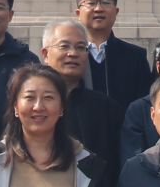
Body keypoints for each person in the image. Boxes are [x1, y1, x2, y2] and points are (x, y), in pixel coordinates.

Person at [38, 19, 125, 170]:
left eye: (80, 47)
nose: (73, 53)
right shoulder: (32, 105)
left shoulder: (106, 108)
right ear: (45, 54)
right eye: (64, 46)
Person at [76, 0, 154, 104]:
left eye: (106, 2)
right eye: (91, 3)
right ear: (78, 13)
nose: (98, 9)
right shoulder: (70, 56)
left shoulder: (135, 57)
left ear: (116, 12)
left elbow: (143, 106)